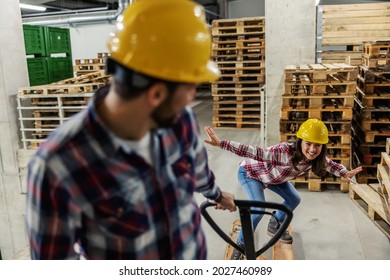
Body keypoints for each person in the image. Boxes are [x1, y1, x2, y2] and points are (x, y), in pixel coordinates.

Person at [26, 0, 236, 260]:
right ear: (156, 94)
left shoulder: (179, 122)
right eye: (191, 87)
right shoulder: (58, 165)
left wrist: (216, 195)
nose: (193, 96)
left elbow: (197, 170)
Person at [204, 118, 362, 260]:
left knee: (294, 199)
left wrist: (344, 172)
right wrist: (221, 144)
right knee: (258, 209)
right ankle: (240, 246)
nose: (313, 149)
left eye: (317, 145)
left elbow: (331, 165)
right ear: (300, 141)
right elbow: (253, 151)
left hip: (274, 177)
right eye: (308, 143)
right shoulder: (283, 152)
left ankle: (274, 222)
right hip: (251, 174)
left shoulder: (315, 158)